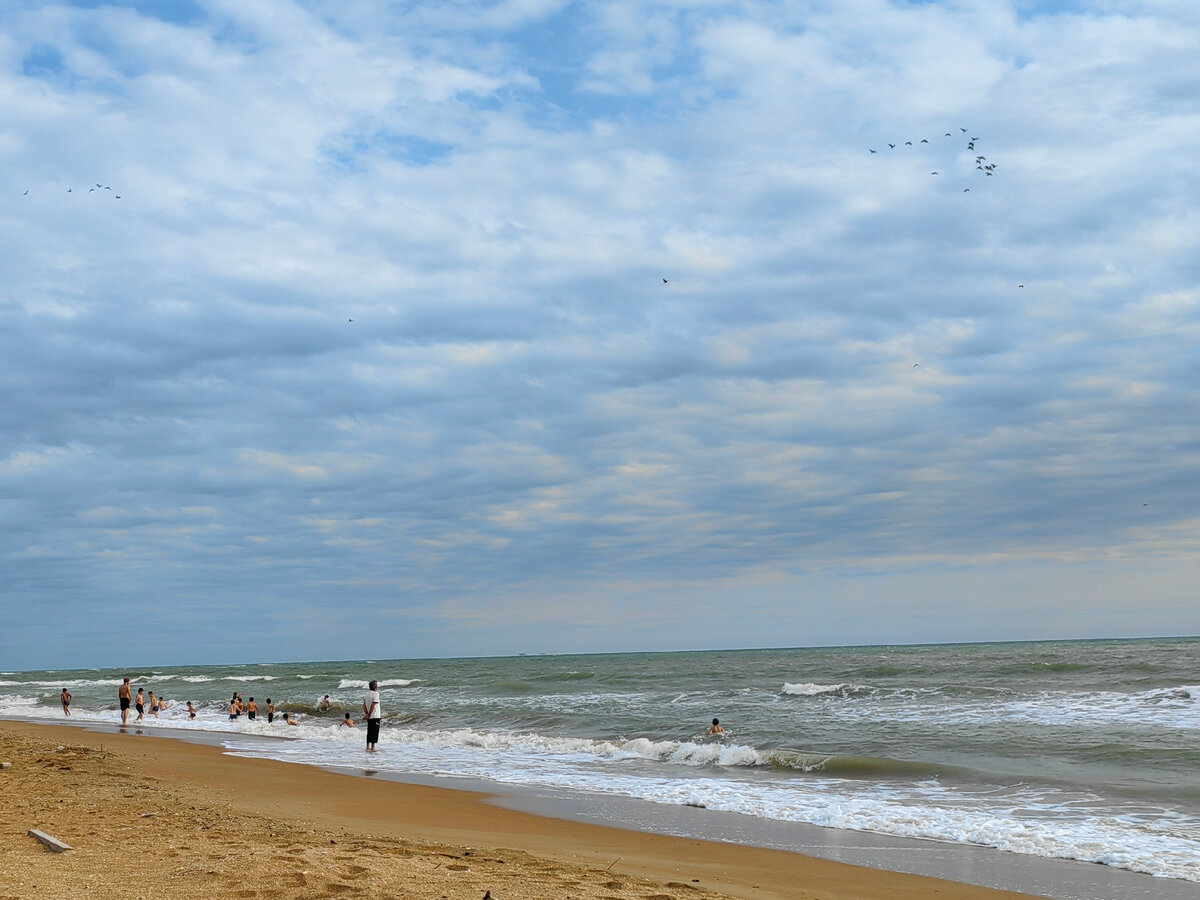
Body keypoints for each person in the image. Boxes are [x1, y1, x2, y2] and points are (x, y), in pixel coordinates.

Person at [362, 680, 381, 751]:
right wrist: (369, 714)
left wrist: (367, 714)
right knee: (375, 731)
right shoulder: (376, 694)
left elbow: (364, 705)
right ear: (375, 686)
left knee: (369, 731)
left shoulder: (366, 694)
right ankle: (373, 747)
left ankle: (367, 746)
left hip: (369, 716)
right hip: (375, 715)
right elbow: (373, 705)